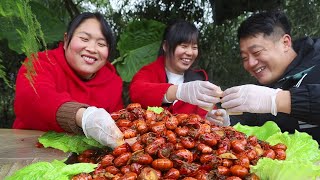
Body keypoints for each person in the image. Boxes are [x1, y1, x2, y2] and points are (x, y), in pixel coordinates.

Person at [13, 12, 124, 148]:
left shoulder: (113, 82)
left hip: (88, 160)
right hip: (30, 149)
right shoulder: (39, 63)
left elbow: (118, 126)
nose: (91, 49)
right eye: (84, 39)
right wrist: (83, 117)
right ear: (66, 41)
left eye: (101, 44)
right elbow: (31, 98)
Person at [221, 10, 320, 142]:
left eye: (256, 52)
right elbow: (247, 122)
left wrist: (278, 100)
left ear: (285, 43)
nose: (250, 63)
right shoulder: (259, 89)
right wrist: (225, 121)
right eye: (244, 58)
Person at [129, 19, 229, 126]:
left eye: (194, 47)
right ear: (166, 46)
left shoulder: (198, 80)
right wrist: (177, 91)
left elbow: (206, 114)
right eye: (184, 46)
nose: (190, 52)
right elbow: (137, 91)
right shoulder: (150, 72)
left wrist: (217, 117)